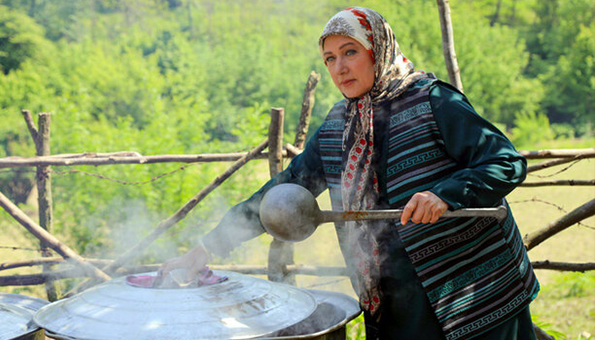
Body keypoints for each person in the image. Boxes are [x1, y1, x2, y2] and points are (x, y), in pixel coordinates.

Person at [159, 7, 539, 340]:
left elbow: (506, 162)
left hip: (474, 287)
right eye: (329, 58)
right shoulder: (337, 129)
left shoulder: (433, 101)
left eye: (350, 52)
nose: (339, 67)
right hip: (395, 294)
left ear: (378, 50)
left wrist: (444, 194)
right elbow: (282, 191)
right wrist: (208, 247)